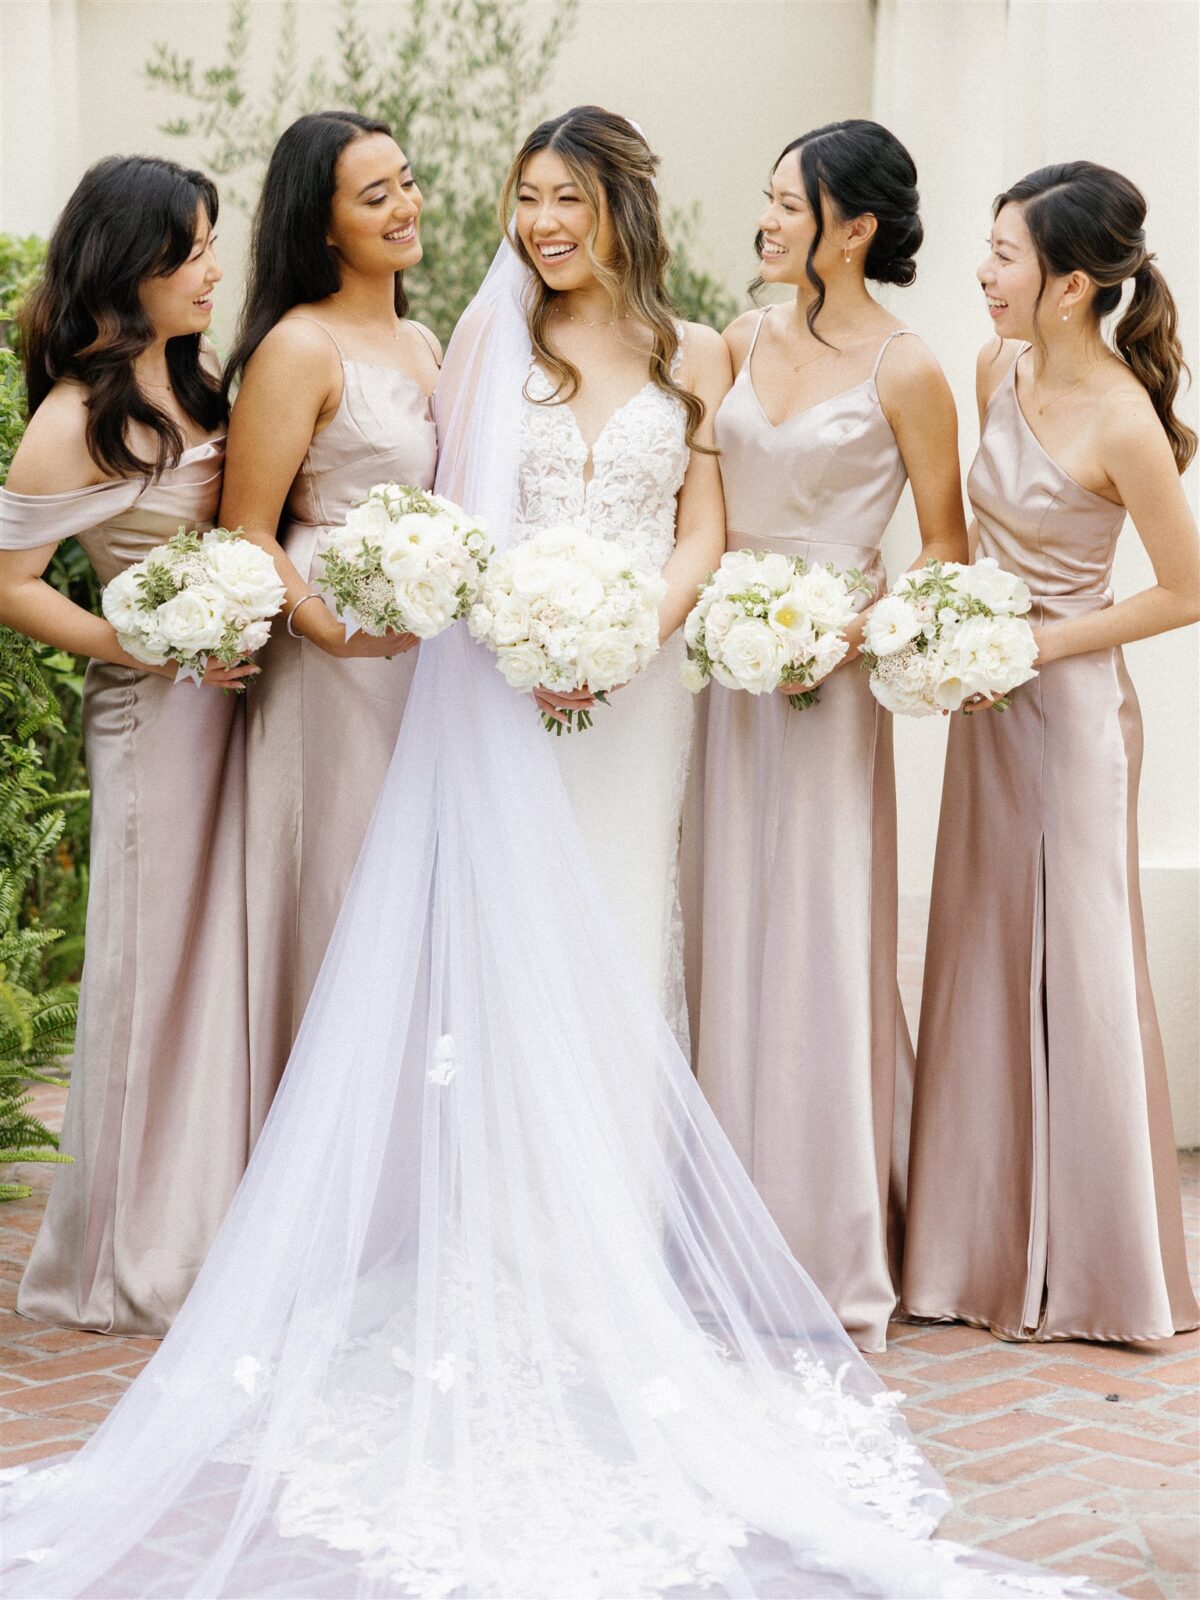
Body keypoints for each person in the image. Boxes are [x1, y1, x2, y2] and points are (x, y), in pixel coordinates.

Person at [0, 121, 1103, 1600]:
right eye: (524, 202)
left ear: (620, 210)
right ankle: (506, 1244)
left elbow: (703, 516)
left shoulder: (689, 346)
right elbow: (455, 525)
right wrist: (531, 638)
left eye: (566, 201)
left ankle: (618, 1246)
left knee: (624, 956)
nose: (538, 226)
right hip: (515, 693)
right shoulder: (482, 342)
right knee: (507, 964)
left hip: (638, 699)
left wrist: (633, 629)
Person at [902, 162, 1200, 1343]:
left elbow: (1185, 591)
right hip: (989, 699)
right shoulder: (994, 368)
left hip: (1075, 717)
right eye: (986, 248)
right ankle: (971, 1255)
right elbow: (981, 533)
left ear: (1072, 285)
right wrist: (959, 629)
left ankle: (1104, 1269)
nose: (983, 272)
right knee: (978, 941)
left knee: (1081, 959)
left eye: (1006, 256)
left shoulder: (1125, 417)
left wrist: (1043, 645)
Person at [685, 121, 969, 1352]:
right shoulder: (740, 340)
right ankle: (708, 1217)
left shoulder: (910, 368)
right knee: (715, 917)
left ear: (854, 229)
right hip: (719, 673)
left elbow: (946, 548)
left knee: (814, 928)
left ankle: (820, 1236)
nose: (767, 221)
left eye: (789, 205)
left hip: (829, 674)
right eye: (766, 199)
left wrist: (845, 633)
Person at [0, 156, 256, 1336]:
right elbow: (11, 584)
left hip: (235, 706)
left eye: (214, 244)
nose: (212, 269)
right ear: (130, 265)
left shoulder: (202, 382)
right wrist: (140, 646)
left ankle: (207, 1209)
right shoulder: (73, 418)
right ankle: (114, 1253)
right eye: (191, 250)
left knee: (216, 968)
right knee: (144, 966)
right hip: (154, 716)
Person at [219, 111, 439, 1110]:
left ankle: (408, 1144)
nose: (405, 206)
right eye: (374, 194)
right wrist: (330, 630)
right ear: (322, 227)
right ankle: (326, 1146)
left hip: (423, 663)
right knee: (348, 892)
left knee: (422, 900)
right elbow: (249, 531)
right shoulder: (297, 350)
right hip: (333, 673)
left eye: (406, 181)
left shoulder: (424, 338)